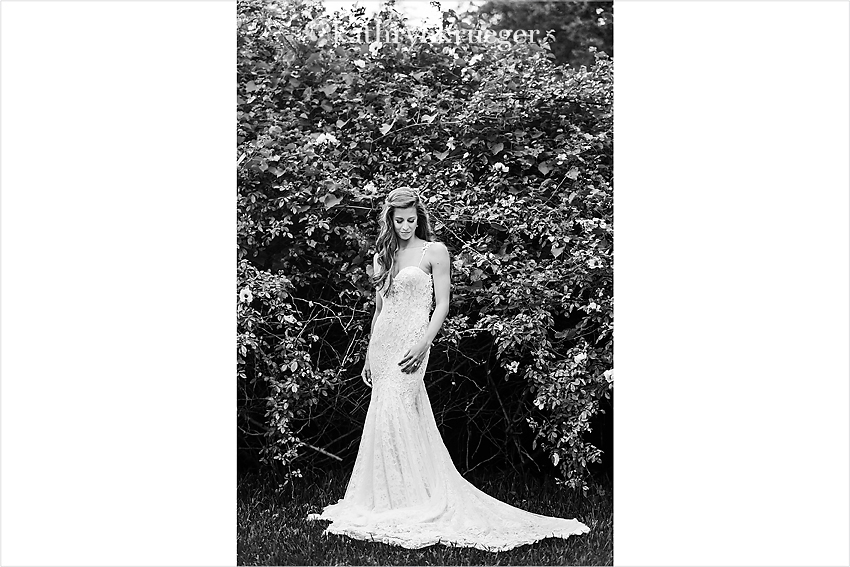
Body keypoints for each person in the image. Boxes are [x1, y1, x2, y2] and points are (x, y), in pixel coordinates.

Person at [307, 187, 590, 551]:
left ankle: (414, 496)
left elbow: (442, 304)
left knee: (400, 410)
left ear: (418, 216)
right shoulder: (382, 256)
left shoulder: (434, 251)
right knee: (386, 416)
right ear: (389, 221)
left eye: (411, 219)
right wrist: (367, 355)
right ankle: (393, 497)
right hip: (383, 345)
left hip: (413, 341)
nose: (406, 226)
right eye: (399, 220)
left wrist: (424, 342)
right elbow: (380, 309)